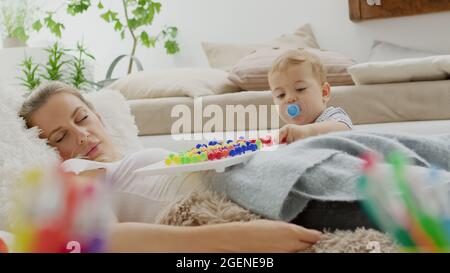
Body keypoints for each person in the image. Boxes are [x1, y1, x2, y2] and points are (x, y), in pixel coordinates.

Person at [19, 82, 322, 253]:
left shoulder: (131, 158)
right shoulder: (76, 171)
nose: (81, 136)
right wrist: (240, 237)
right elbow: (109, 239)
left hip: (268, 175)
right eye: (61, 137)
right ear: (49, 150)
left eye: (82, 118)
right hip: (255, 205)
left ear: (98, 116)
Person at [268, 49, 353, 144]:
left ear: (324, 92)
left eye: (300, 89)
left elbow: (343, 128)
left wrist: (306, 132)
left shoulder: (331, 116)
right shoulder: (291, 131)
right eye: (281, 95)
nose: (289, 99)